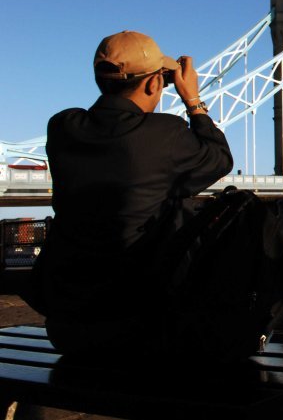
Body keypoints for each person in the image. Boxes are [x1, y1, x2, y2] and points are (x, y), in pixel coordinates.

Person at [32, 30, 233, 357]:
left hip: (66, 325)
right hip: (140, 327)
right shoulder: (165, 134)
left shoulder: (62, 126)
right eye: (164, 82)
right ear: (155, 84)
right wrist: (193, 100)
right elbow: (220, 159)